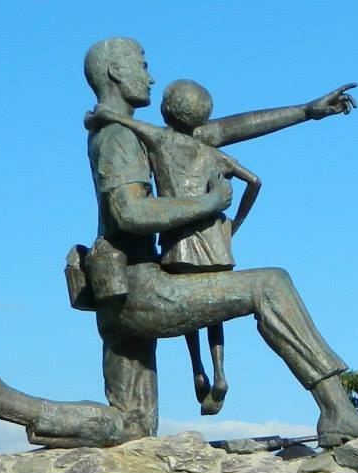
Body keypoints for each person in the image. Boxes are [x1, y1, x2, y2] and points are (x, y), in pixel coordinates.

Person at [0, 37, 358, 450]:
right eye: (142, 65)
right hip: (140, 287)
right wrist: (210, 203)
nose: (150, 77)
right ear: (115, 72)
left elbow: (221, 132)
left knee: (130, 426)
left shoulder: (127, 131)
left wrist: (306, 111)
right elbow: (129, 213)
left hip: (120, 293)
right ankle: (337, 410)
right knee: (270, 284)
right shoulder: (117, 137)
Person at [92, 78, 265, 414]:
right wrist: (235, 223)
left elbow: (132, 124)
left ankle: (197, 369)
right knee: (215, 311)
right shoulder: (214, 154)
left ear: (167, 110)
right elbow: (255, 181)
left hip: (180, 243)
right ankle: (219, 373)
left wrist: (105, 115)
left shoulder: (161, 141)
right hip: (216, 241)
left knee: (193, 311)